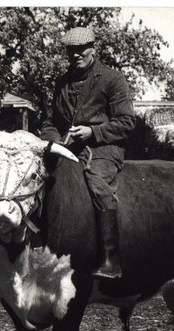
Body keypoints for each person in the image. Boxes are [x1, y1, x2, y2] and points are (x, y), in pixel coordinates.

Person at [40, 27, 136, 279]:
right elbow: (50, 122)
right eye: (71, 50)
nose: (76, 54)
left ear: (93, 47)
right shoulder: (62, 82)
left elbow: (126, 122)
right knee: (36, 178)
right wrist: (54, 142)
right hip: (67, 148)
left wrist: (92, 132)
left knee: (96, 182)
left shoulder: (112, 79)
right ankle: (30, 252)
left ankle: (110, 259)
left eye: (81, 49)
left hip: (103, 148)